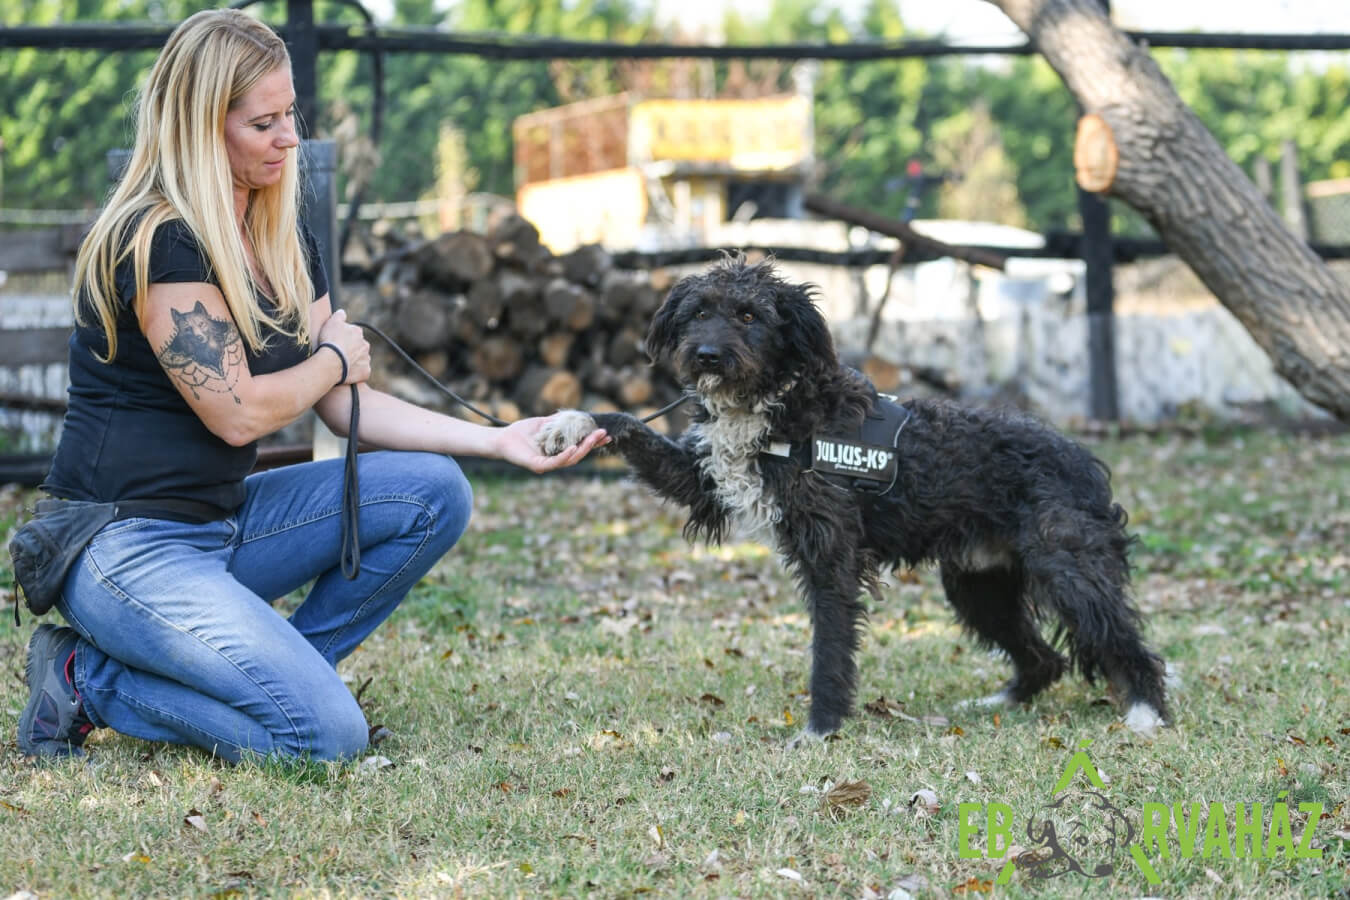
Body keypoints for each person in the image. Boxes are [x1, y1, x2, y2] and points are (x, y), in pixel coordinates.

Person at [16, 8, 607, 763]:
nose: (290, 138)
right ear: (201, 129)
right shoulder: (161, 239)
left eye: (289, 114)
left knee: (436, 490)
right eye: (263, 124)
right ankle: (85, 678)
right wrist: (330, 358)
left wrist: (498, 440)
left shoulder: (279, 233)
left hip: (223, 524)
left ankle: (289, 684)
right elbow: (239, 414)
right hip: (123, 548)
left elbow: (342, 400)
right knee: (324, 739)